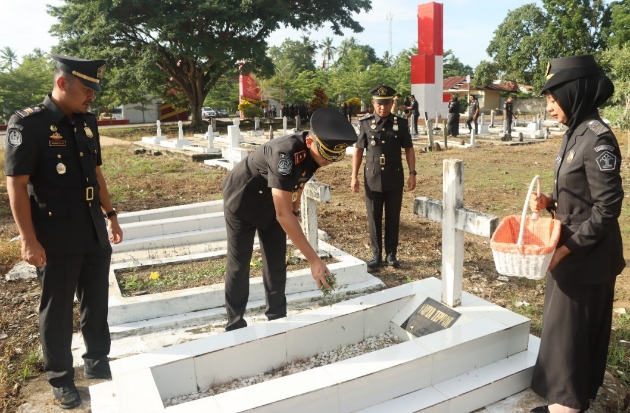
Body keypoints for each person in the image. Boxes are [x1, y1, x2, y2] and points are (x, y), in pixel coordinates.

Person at [4, 54, 123, 409]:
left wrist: (111, 214)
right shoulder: (28, 124)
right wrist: (27, 238)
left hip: (91, 226)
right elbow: (17, 185)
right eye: (86, 88)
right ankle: (60, 378)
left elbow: (96, 173)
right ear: (62, 83)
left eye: (94, 90)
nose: (92, 96)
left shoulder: (87, 122)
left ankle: (97, 361)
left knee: (96, 300)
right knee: (57, 309)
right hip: (54, 232)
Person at [528, 55, 625, 413]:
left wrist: (565, 251)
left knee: (572, 334)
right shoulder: (576, 133)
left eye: (554, 100)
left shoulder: (598, 140)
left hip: (586, 256)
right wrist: (551, 200)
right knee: (564, 331)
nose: (550, 107)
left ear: (574, 94)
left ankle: (568, 407)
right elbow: (580, 194)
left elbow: (606, 210)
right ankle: (568, 401)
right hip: (568, 249)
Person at [221, 107, 357, 331]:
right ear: (311, 142)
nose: (328, 162)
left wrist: (295, 207)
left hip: (275, 202)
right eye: (326, 156)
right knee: (239, 264)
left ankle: (277, 317)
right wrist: (314, 259)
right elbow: (282, 214)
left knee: (276, 261)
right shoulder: (283, 154)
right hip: (242, 202)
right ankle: (235, 323)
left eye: (333, 158)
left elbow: (301, 178)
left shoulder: (314, 154)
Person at [351, 85, 416, 269]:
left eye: (386, 103)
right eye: (379, 104)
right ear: (373, 103)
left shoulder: (400, 124)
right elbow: (358, 150)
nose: (383, 108)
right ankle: (376, 254)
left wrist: (412, 173)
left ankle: (391, 254)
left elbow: (409, 149)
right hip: (372, 177)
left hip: (394, 177)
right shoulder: (365, 123)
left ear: (392, 103)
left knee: (393, 216)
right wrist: (353, 176)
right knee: (373, 216)